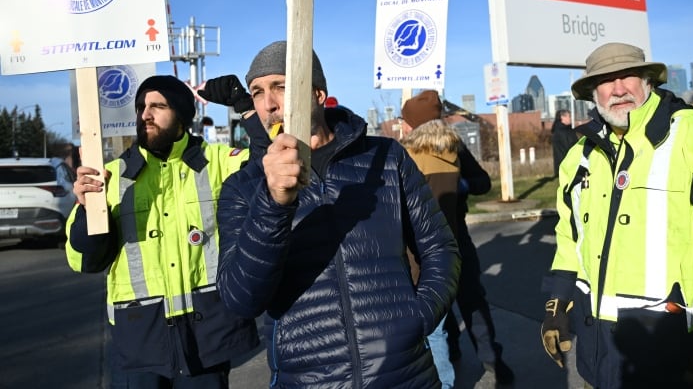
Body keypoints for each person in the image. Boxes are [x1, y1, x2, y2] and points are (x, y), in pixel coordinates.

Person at [214, 40, 461, 387]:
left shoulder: (385, 158)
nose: (268, 104)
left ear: (317, 93)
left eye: (280, 87)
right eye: (257, 92)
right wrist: (273, 203)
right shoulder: (242, 187)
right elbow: (241, 299)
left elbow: (440, 248)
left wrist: (417, 319)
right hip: (309, 381)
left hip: (405, 374)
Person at [541, 43, 693, 389]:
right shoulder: (579, 156)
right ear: (592, 92)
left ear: (648, 81)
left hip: (675, 352)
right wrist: (555, 306)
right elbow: (569, 238)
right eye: (606, 81)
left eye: (628, 76)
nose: (618, 89)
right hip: (597, 351)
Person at [65, 75, 260, 388]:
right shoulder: (111, 176)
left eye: (157, 106)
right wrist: (87, 209)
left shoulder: (220, 163)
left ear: (181, 115)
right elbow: (84, 261)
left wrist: (246, 108)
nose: (145, 114)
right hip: (139, 343)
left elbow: (276, 168)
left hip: (207, 340)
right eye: (141, 106)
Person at [400, 90, 461, 389]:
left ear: (414, 123)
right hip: (447, 246)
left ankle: (444, 384)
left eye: (404, 120)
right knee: (440, 321)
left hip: (417, 252)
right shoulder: (450, 151)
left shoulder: (408, 157)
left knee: (431, 331)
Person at [442, 138, 516, 385]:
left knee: (470, 299)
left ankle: (490, 358)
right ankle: (454, 347)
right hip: (430, 237)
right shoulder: (407, 150)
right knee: (446, 302)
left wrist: (463, 185)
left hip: (455, 235)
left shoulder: (453, 146)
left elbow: (483, 182)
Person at [551, 108, 578, 176]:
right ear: (562, 117)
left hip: (563, 165)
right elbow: (571, 147)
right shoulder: (563, 131)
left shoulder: (558, 130)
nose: (570, 118)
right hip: (567, 165)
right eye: (569, 116)